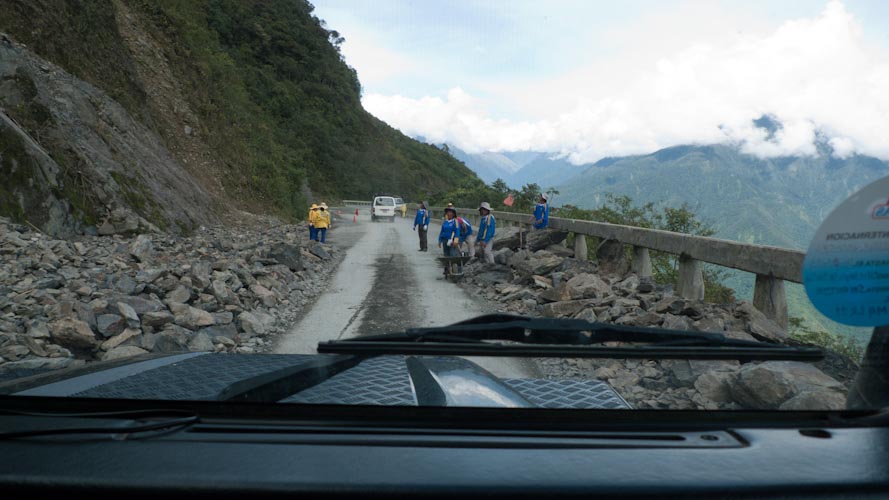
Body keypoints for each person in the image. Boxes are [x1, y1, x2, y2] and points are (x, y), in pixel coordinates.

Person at [438, 205, 462, 277]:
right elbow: (442, 232)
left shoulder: (455, 222)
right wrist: (440, 240)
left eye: (450, 212)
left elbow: (457, 231)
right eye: (448, 212)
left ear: (453, 214)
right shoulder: (445, 222)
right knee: (446, 255)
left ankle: (455, 270)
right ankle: (447, 269)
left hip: (452, 241)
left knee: (452, 255)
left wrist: (456, 240)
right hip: (445, 241)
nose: (449, 214)